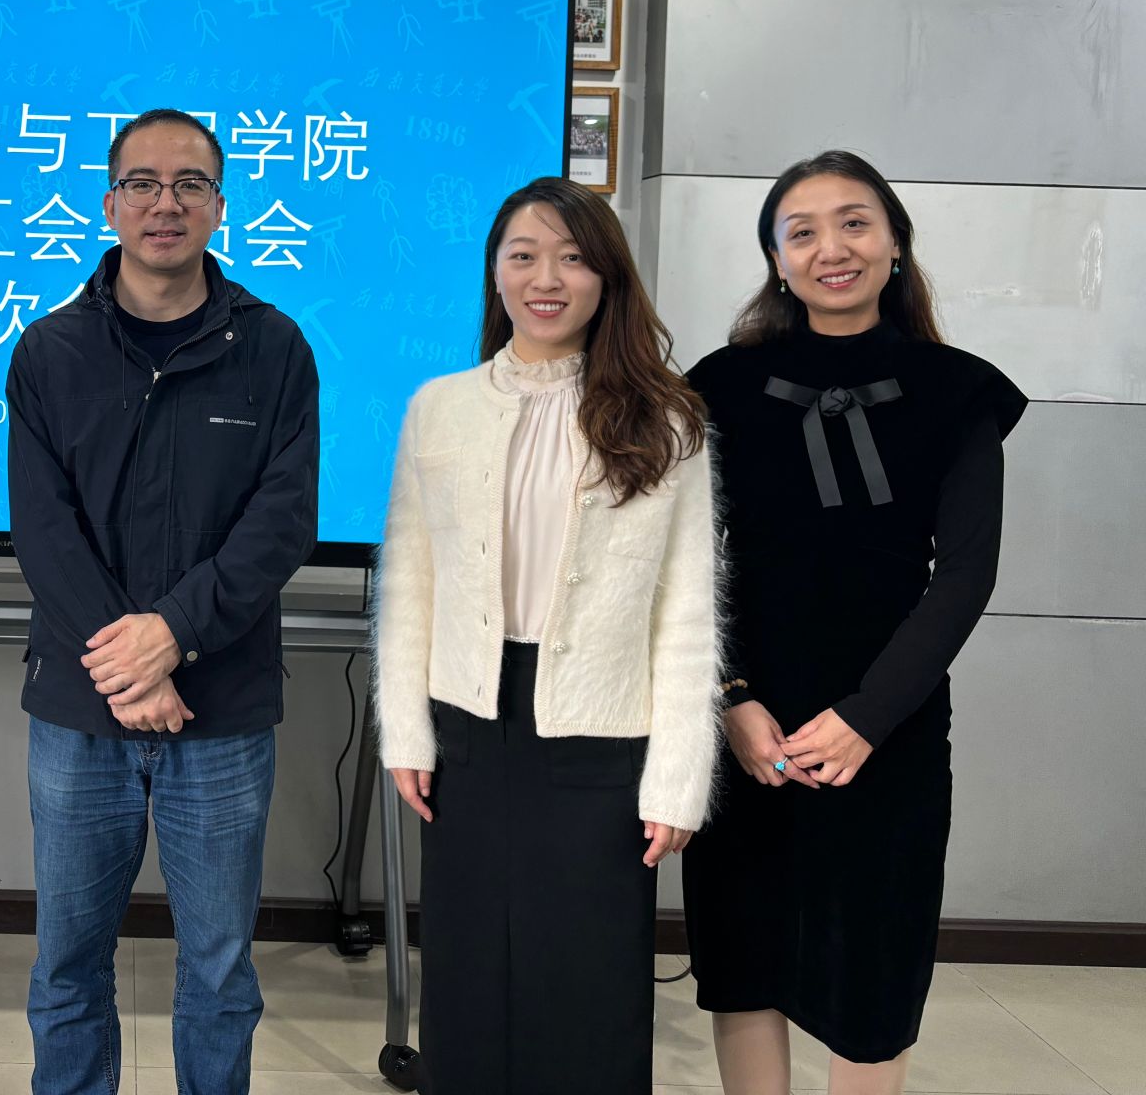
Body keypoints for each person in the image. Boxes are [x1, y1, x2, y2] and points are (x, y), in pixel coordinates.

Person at [683, 151, 1026, 1095]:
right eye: (802, 233)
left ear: (896, 243)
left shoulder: (960, 389)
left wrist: (867, 717)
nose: (831, 248)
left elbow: (965, 576)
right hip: (748, 722)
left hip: (892, 725)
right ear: (776, 260)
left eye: (854, 223)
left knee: (876, 968)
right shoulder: (719, 385)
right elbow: (689, 565)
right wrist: (732, 700)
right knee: (743, 960)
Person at [373, 176, 720, 1094]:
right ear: (495, 272)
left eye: (572, 258)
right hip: (469, 720)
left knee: (588, 978)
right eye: (523, 256)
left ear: (607, 278)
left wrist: (678, 777)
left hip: (603, 730)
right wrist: (405, 731)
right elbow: (410, 583)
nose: (547, 279)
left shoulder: (667, 418)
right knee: (469, 970)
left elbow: (686, 612)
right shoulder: (439, 406)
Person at [8, 108, 320, 1095]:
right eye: (141, 183)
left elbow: (282, 523)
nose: (164, 203)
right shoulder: (50, 350)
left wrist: (173, 635)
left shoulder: (273, 349)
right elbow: (42, 530)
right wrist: (129, 666)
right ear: (109, 205)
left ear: (220, 207)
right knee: (66, 965)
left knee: (219, 970)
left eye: (189, 184)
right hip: (80, 706)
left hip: (220, 707)